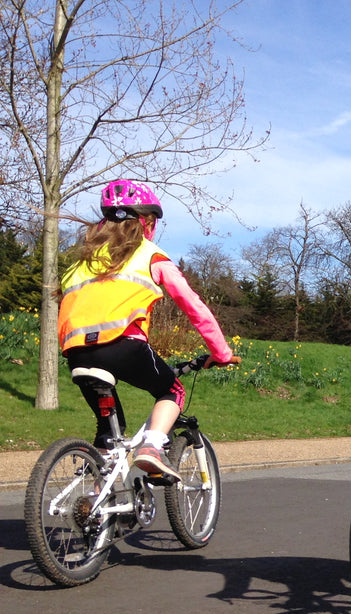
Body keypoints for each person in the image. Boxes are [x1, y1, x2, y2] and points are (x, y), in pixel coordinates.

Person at [58, 180, 236, 481]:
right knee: (171, 390)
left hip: (76, 352)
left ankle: (97, 505)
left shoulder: (81, 263)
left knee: (109, 434)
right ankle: (152, 448)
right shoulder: (150, 255)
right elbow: (194, 306)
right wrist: (221, 352)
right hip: (122, 346)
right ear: (147, 223)